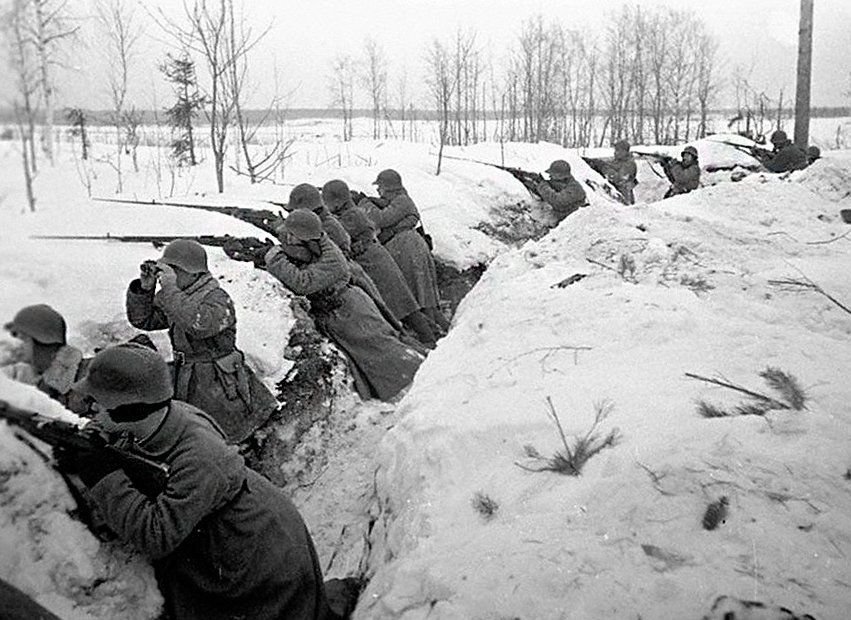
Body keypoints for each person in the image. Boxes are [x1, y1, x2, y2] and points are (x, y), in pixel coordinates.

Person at [69, 343, 342, 620]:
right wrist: (84, 443)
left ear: (127, 410)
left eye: (96, 403)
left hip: (255, 547)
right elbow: (107, 429)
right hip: (216, 524)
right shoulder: (151, 416)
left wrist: (104, 477)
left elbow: (155, 536)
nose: (89, 409)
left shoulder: (200, 454)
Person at [125, 239, 277, 443]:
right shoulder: (180, 298)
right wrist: (145, 289)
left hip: (219, 381)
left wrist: (170, 290)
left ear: (194, 272)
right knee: (200, 433)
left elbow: (199, 325)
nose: (167, 276)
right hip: (188, 377)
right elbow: (143, 320)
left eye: (174, 270)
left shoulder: (216, 298)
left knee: (232, 433)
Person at [265, 210, 424, 401]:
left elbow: (303, 282)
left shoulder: (333, 258)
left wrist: (275, 258)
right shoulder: (318, 245)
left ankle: (422, 382)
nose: (287, 239)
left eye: (290, 235)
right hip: (344, 312)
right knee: (371, 356)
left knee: (384, 350)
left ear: (298, 237)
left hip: (352, 312)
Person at [322, 179, 437, 348]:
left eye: (327, 202)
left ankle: (430, 341)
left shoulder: (352, 216)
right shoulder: (349, 213)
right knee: (402, 305)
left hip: (376, 263)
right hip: (374, 261)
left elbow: (340, 236)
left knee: (404, 306)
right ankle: (433, 335)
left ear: (338, 202)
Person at [358, 169, 449, 333]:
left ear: (387, 188)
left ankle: (439, 333)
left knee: (422, 294)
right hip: (406, 249)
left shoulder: (402, 201)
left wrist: (364, 203)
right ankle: (436, 331)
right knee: (419, 292)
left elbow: (380, 219)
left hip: (409, 249)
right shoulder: (396, 201)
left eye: (380, 187)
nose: (378, 190)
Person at [2, 304, 88, 413]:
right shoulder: (35, 379)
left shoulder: (89, 376)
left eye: (23, 338)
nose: (16, 344)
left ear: (43, 341)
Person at [607, 140, 638, 205]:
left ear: (625, 151)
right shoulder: (615, 162)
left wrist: (607, 171)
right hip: (615, 194)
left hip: (624, 195)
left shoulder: (629, 164)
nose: (615, 153)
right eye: (615, 150)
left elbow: (621, 179)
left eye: (618, 150)